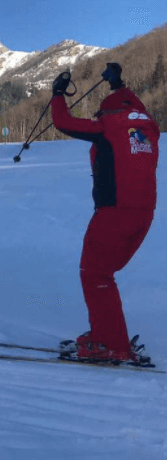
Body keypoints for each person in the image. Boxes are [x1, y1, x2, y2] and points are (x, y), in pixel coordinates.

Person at [50, 64, 159, 363]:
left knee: (95, 273)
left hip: (114, 213)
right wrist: (118, 86)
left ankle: (110, 344)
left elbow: (63, 121)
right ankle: (112, 337)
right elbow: (130, 107)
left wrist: (58, 93)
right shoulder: (149, 129)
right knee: (103, 275)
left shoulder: (107, 127)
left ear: (106, 114)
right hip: (144, 215)